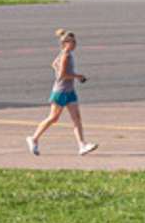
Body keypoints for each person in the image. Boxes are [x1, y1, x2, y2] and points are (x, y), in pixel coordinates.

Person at [27, 29, 97, 157]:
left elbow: (54, 64)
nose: (75, 44)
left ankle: (82, 145)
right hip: (60, 91)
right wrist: (78, 76)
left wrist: (63, 72)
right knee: (53, 118)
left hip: (70, 92)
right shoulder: (65, 55)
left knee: (76, 119)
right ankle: (34, 138)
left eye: (75, 41)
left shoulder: (64, 54)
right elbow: (63, 75)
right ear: (65, 43)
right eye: (72, 42)